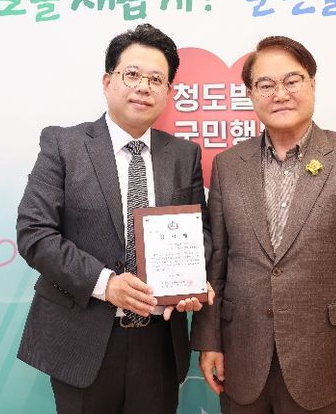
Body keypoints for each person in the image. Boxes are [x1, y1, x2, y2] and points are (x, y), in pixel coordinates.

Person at [16, 23, 212, 414]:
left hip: (159, 341)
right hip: (82, 336)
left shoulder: (183, 155)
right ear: (108, 82)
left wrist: (189, 280)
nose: (143, 87)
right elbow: (35, 234)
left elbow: (200, 233)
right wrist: (106, 284)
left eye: (156, 79)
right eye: (132, 74)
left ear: (168, 92)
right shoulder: (64, 145)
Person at [190, 35, 336, 413]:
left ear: (312, 84)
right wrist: (209, 340)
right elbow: (216, 261)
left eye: (292, 81)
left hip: (323, 358)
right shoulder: (229, 165)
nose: (280, 94)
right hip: (241, 354)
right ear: (251, 94)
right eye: (266, 84)